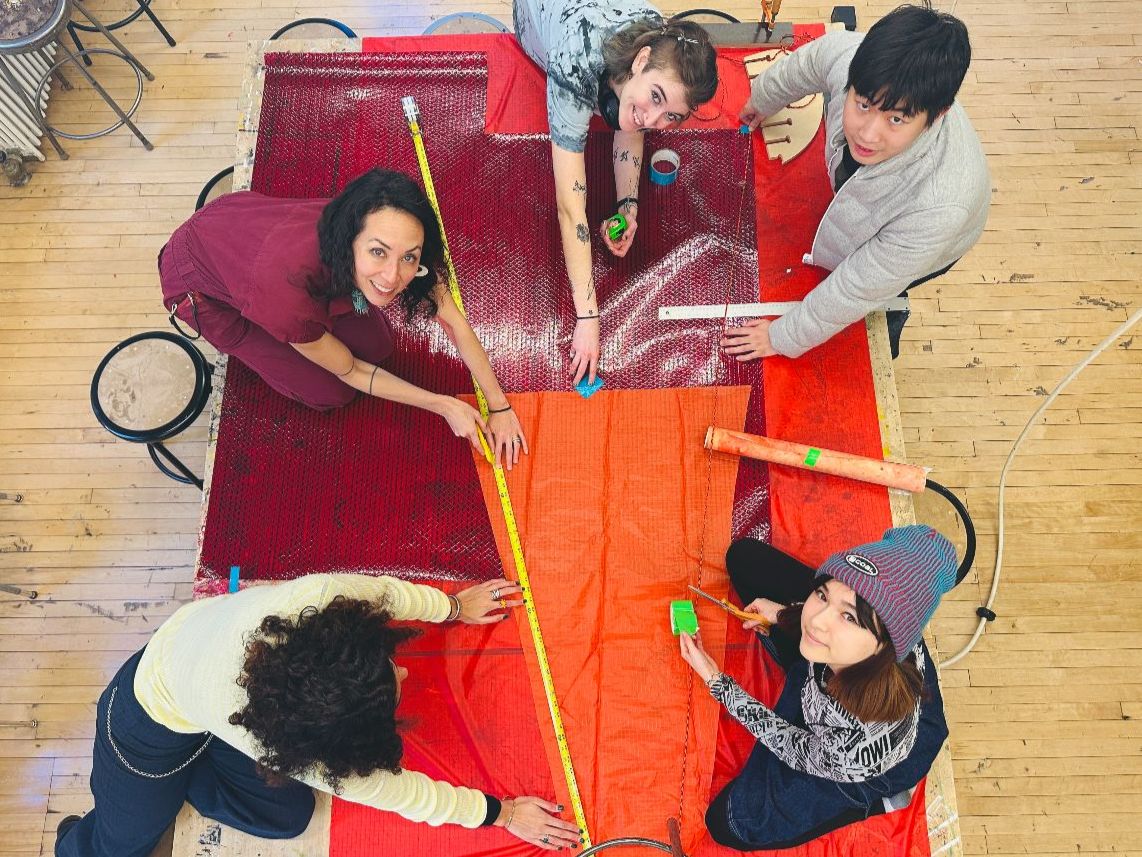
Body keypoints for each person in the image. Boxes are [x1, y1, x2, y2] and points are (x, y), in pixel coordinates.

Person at [55, 574, 582, 856]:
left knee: (287, 819)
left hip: (214, 709)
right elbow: (402, 794)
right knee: (119, 847)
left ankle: (196, 773)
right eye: (391, 679)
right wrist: (502, 814)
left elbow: (386, 592)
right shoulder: (274, 736)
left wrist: (451, 607)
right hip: (147, 723)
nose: (404, 676)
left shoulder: (322, 599)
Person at [161, 168, 527, 468]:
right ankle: (270, 332)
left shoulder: (379, 229)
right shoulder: (286, 295)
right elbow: (350, 370)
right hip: (204, 289)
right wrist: (444, 404)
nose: (390, 278)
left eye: (408, 258)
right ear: (351, 238)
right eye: (378, 252)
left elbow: (453, 321)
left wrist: (500, 405)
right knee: (333, 391)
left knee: (379, 345)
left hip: (238, 228)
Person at [729, 3, 990, 360]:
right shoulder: (853, 57)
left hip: (925, 245)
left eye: (896, 120)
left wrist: (782, 336)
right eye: (862, 105)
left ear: (937, 115)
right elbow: (805, 65)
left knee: (882, 294)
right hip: (892, 213)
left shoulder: (939, 206)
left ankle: (891, 327)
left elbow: (855, 288)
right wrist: (763, 99)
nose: (866, 134)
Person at [678, 526, 957, 849]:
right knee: (743, 559)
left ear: (885, 648)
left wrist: (717, 681)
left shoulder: (854, 745)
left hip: (854, 766)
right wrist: (784, 615)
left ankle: (870, 804)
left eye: (850, 617)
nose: (816, 620)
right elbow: (820, 616)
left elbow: (792, 745)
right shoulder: (888, 629)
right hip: (834, 678)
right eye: (823, 594)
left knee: (730, 824)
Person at [513, 1, 718, 384]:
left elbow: (633, 128)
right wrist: (588, 318)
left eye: (671, 116)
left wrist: (628, 204)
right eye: (656, 97)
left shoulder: (660, 35)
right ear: (640, 60)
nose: (654, 121)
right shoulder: (573, 67)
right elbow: (570, 210)